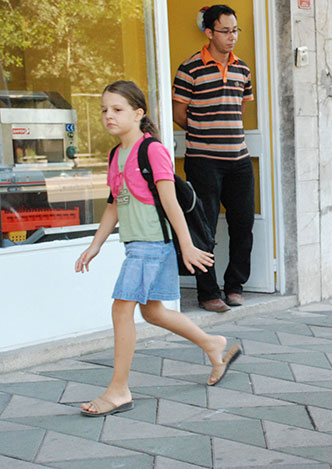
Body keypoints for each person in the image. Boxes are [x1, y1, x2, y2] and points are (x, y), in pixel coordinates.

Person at [76, 81, 241, 417]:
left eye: (118, 109)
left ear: (138, 114)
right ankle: (214, 345)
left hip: (152, 246)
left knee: (121, 310)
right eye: (105, 109)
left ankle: (118, 390)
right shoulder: (116, 154)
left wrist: (188, 246)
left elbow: (170, 202)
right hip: (137, 245)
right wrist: (95, 245)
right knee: (152, 311)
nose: (109, 115)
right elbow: (114, 203)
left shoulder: (151, 150)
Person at [173, 4, 254, 312]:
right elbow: (180, 115)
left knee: (242, 224)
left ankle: (235, 285)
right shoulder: (189, 68)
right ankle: (208, 292)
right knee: (203, 227)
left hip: (239, 160)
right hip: (203, 160)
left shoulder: (242, 69)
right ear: (209, 32)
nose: (232, 37)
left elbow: (239, 112)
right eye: (225, 31)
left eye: (235, 30)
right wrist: (206, 133)